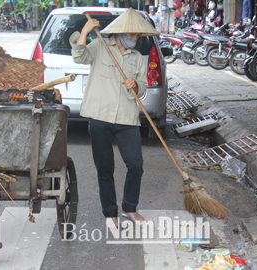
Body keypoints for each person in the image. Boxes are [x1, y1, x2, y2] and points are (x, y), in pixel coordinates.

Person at [69, 8, 158, 228]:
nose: (135, 38)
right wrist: (85, 31)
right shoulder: (100, 46)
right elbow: (79, 56)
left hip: (127, 118)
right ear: (120, 32)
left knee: (136, 164)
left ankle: (129, 207)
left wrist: (135, 85)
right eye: (132, 34)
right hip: (100, 115)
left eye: (138, 35)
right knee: (105, 167)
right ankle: (110, 212)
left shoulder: (137, 57)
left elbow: (143, 88)